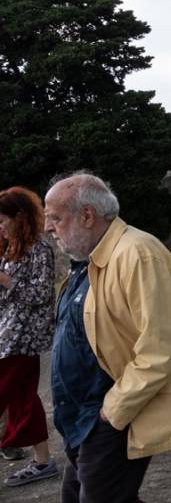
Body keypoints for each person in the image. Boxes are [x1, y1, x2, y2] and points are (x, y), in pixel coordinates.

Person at [44, 173, 171, 502]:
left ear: (87, 216)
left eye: (55, 219)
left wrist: (113, 412)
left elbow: (161, 348)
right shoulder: (86, 260)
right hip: (81, 419)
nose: (49, 228)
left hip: (108, 417)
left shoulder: (137, 254)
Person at [0, 187, 59, 487]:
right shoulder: (11, 247)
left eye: (2, 221)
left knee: (15, 397)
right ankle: (42, 461)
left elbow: (41, 294)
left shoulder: (40, 249)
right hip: (5, 335)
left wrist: (4, 280)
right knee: (24, 399)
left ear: (20, 217)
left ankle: (30, 454)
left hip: (22, 339)